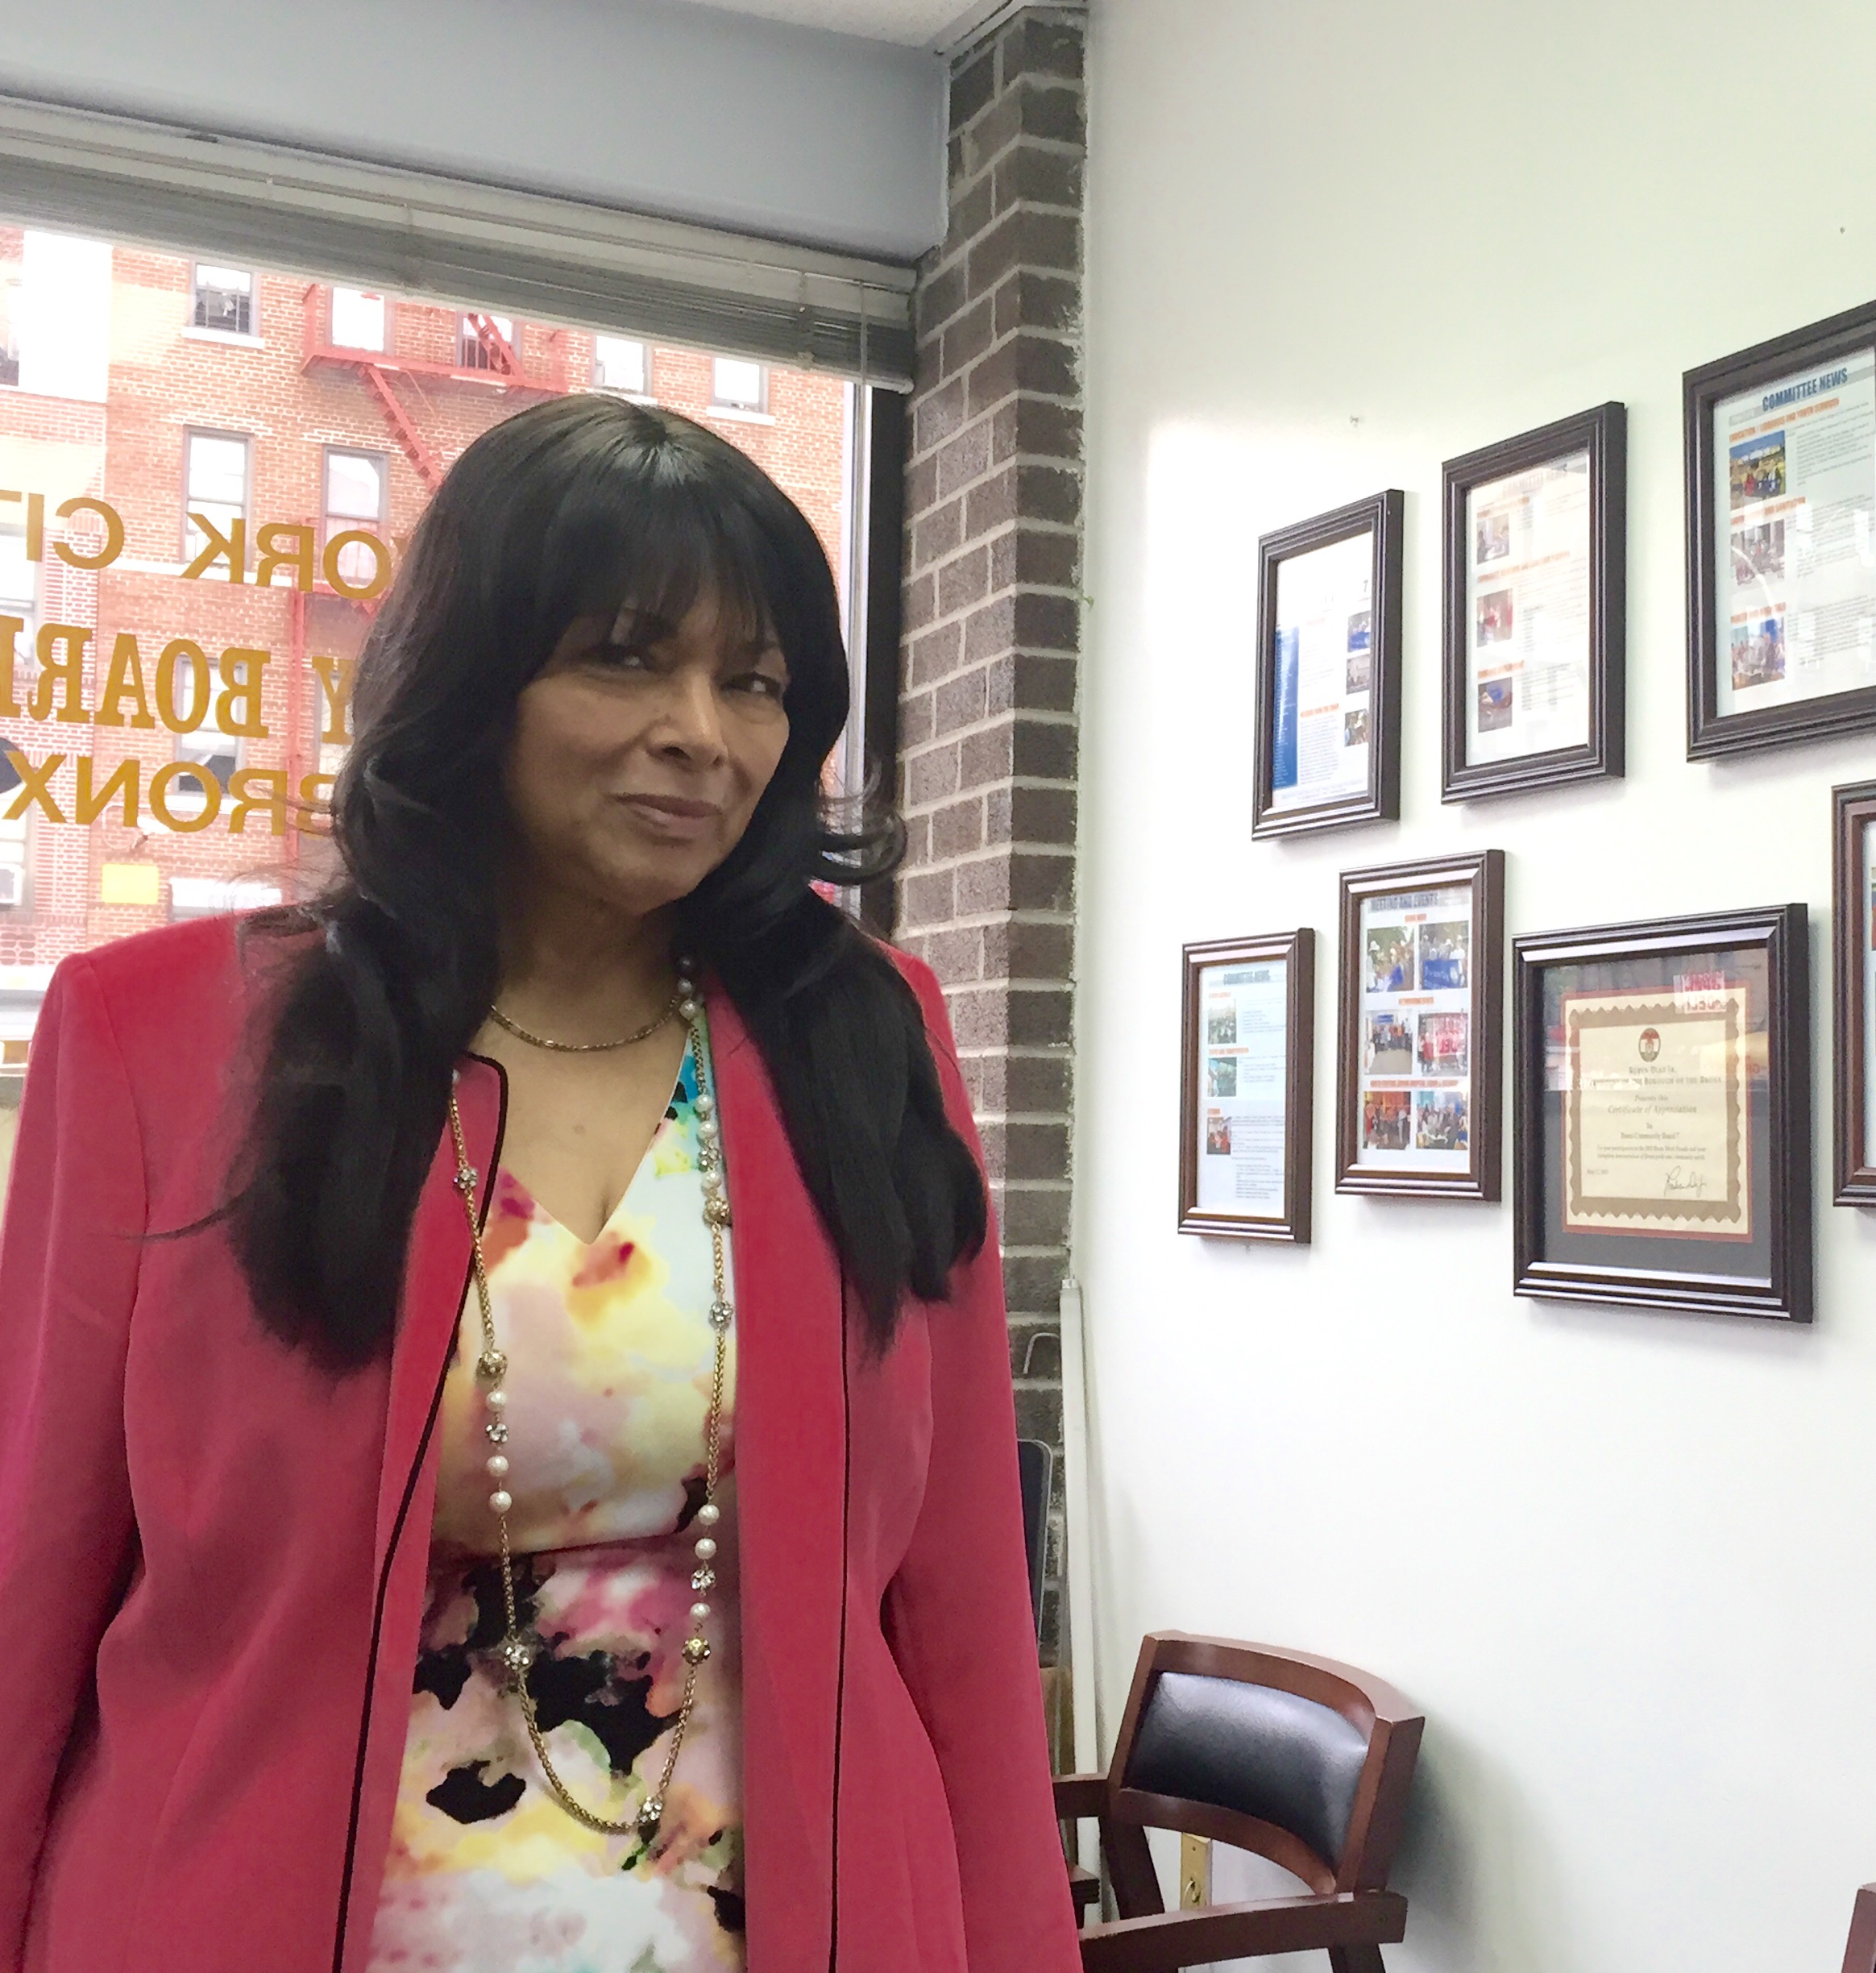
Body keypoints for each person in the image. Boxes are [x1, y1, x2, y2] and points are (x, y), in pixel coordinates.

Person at [0, 397, 1077, 1973]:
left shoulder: (865, 1034)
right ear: (471, 679)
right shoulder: (163, 1039)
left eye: (756, 682)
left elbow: (968, 1623)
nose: (702, 733)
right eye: (627, 657)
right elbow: (29, 1586)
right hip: (246, 1910)